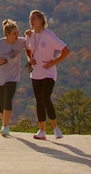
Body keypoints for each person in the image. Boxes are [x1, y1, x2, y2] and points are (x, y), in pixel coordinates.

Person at [25, 9, 70, 140]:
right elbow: (28, 51)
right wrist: (30, 60)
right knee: (39, 101)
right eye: (30, 19)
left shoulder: (48, 35)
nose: (31, 21)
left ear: (41, 20)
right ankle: (42, 130)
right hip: (36, 72)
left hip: (49, 72)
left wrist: (53, 62)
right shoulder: (29, 35)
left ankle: (56, 128)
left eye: (34, 19)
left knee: (45, 98)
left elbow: (66, 50)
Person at [0, 19, 26, 137]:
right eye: (14, 34)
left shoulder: (20, 42)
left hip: (12, 76)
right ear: (7, 34)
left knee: (8, 100)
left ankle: (6, 126)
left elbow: (31, 41)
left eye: (18, 33)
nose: (17, 36)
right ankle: (4, 124)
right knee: (2, 104)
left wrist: (30, 33)